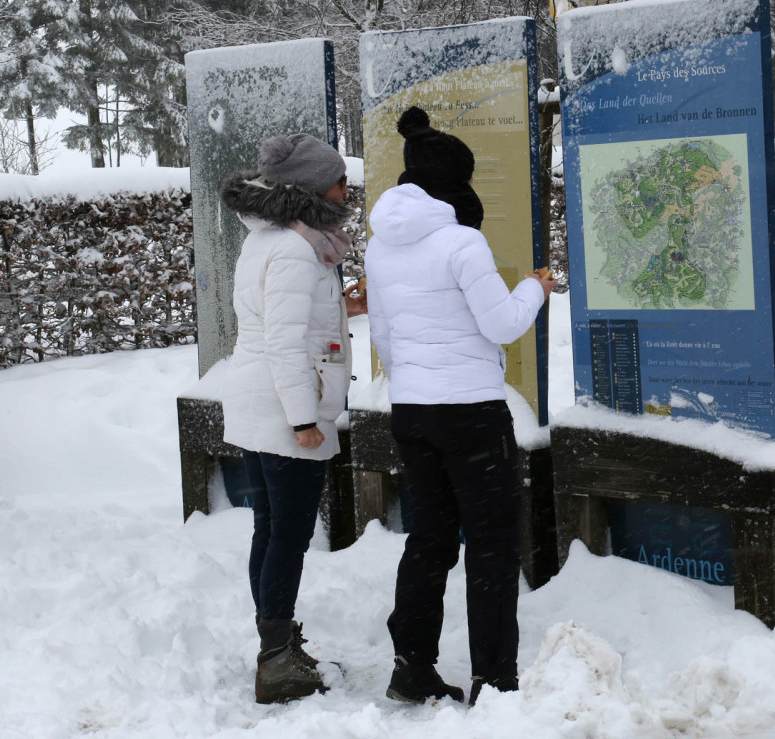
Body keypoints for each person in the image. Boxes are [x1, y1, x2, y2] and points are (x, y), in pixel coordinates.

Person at [365, 106, 557, 706]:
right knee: (493, 543)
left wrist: (418, 384)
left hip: (413, 411)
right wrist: (537, 287)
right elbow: (501, 325)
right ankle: (494, 679)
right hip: (471, 412)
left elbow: (387, 339)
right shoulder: (461, 242)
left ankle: (411, 665)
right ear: (454, 182)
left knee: (429, 540)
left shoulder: (379, 248)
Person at [218, 133, 366, 704]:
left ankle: (274, 645)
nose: (345, 188)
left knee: (271, 529)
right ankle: (277, 661)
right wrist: (305, 419)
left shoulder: (274, 238)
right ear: (310, 189)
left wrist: (343, 307)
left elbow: (282, 318)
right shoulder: (294, 249)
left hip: (261, 400)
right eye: (337, 180)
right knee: (289, 535)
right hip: (282, 406)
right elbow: (282, 340)